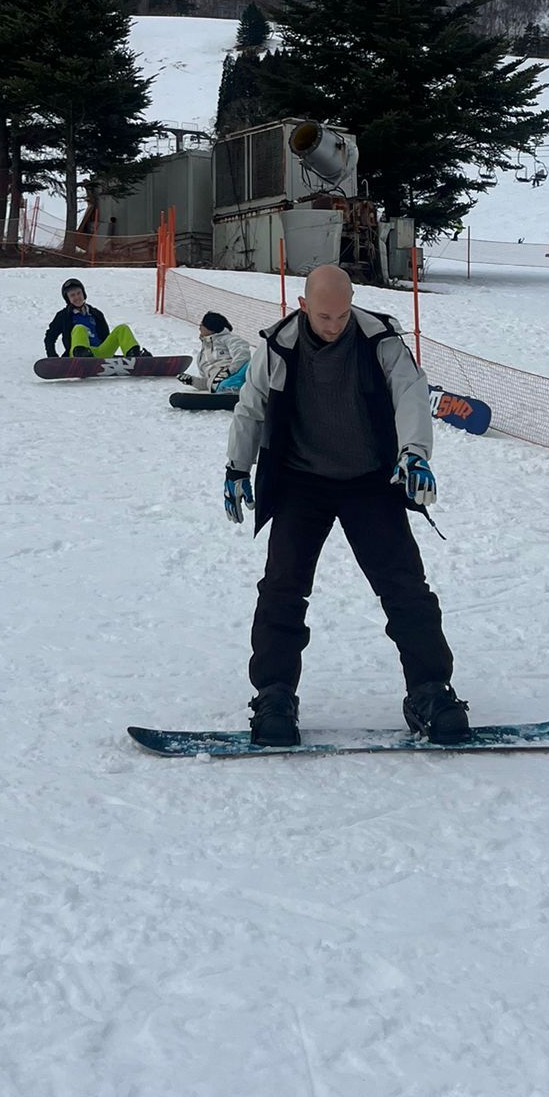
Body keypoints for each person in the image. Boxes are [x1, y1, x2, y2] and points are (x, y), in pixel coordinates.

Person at [223, 264, 467, 747]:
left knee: (406, 589)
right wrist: (236, 468)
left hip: (370, 481)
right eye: (324, 316)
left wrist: (414, 453)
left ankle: (430, 691)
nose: (335, 325)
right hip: (300, 482)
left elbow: (411, 393)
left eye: (342, 314)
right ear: (303, 306)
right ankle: (274, 696)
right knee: (282, 591)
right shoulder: (277, 346)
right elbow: (251, 408)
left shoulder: (380, 341)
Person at [43, 279, 149, 359]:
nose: (77, 297)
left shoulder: (96, 314)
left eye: (79, 293)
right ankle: (82, 353)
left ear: (83, 294)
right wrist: (53, 357)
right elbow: (50, 337)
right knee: (79, 328)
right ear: (68, 299)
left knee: (122, 328)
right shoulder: (63, 316)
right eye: (72, 295)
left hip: (100, 352)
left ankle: (133, 355)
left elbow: (105, 336)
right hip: (75, 356)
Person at [181, 311, 252, 393]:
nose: (199, 327)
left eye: (202, 324)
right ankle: (230, 391)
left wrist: (229, 371)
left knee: (253, 363)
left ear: (211, 327)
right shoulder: (201, 357)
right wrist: (193, 381)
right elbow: (209, 382)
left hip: (240, 374)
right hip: (222, 384)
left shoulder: (229, 339)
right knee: (221, 385)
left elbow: (243, 355)